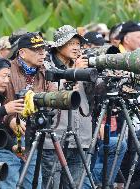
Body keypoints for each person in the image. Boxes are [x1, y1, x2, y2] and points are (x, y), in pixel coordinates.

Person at [0, 32, 52, 189]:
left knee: (34, 185)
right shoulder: (5, 69)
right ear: (22, 53)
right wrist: (10, 119)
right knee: (9, 185)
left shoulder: (45, 72)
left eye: (43, 50)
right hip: (6, 140)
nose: (42, 54)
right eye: (36, 50)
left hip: (32, 139)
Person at [42, 25, 93, 189]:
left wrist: (95, 73)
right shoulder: (45, 66)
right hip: (55, 138)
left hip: (81, 137)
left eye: (78, 44)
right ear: (59, 44)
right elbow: (50, 97)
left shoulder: (82, 65)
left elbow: (95, 95)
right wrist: (75, 74)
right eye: (71, 43)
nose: (76, 47)